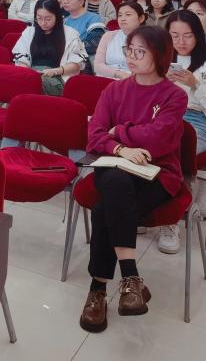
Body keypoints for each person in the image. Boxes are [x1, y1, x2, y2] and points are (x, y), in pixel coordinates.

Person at [79, 26, 188, 333]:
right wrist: (121, 149)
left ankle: (98, 289)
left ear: (160, 55)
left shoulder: (174, 95)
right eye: (129, 50)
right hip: (114, 164)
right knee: (115, 182)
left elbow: (159, 139)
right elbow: (94, 135)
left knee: (104, 210)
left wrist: (119, 132)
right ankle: (130, 277)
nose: (131, 57)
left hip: (157, 173)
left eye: (140, 51)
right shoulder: (114, 90)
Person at [157, 10, 206, 254]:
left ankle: (170, 221)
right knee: (140, 145)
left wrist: (195, 85)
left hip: (200, 120)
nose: (180, 42)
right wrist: (161, 83)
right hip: (164, 114)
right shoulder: (160, 56)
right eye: (174, 35)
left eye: (188, 35)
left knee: (173, 152)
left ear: (199, 35)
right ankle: (145, 204)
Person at [12, 0, 86, 95]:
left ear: (57, 17)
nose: (43, 23)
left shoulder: (71, 34)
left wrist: (56, 71)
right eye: (39, 18)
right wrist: (28, 73)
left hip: (58, 77)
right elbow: (21, 58)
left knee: (35, 84)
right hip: (32, 74)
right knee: (14, 79)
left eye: (48, 19)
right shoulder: (29, 32)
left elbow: (77, 64)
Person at [94, 2, 146, 80]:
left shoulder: (149, 39)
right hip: (106, 78)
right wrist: (119, 74)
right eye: (120, 15)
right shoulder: (108, 36)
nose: (123, 19)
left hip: (134, 80)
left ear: (141, 18)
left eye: (128, 14)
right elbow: (97, 65)